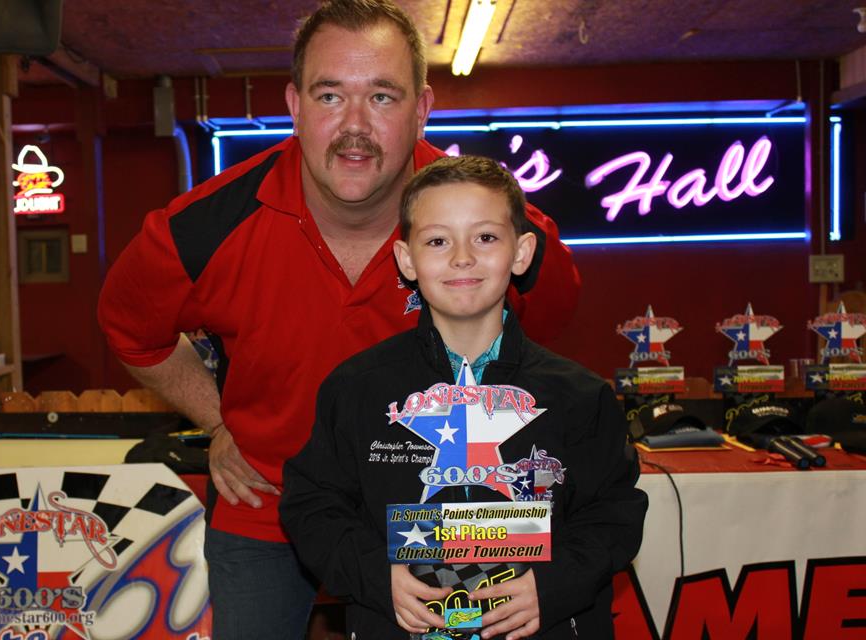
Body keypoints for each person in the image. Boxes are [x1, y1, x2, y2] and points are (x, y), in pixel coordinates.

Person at [97, 1, 581, 636]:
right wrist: (219, 418)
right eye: (331, 96)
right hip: (265, 507)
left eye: (382, 96)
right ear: (295, 105)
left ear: (422, 108)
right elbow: (130, 329)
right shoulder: (202, 229)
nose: (355, 127)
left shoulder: (497, 228)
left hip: (436, 515)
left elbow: (545, 332)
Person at [280, 155, 647, 639]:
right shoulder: (357, 389)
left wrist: (553, 585)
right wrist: (375, 575)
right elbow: (312, 507)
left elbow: (614, 514)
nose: (462, 257)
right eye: (437, 240)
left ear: (521, 253)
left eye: (486, 237)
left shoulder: (580, 396)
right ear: (406, 260)